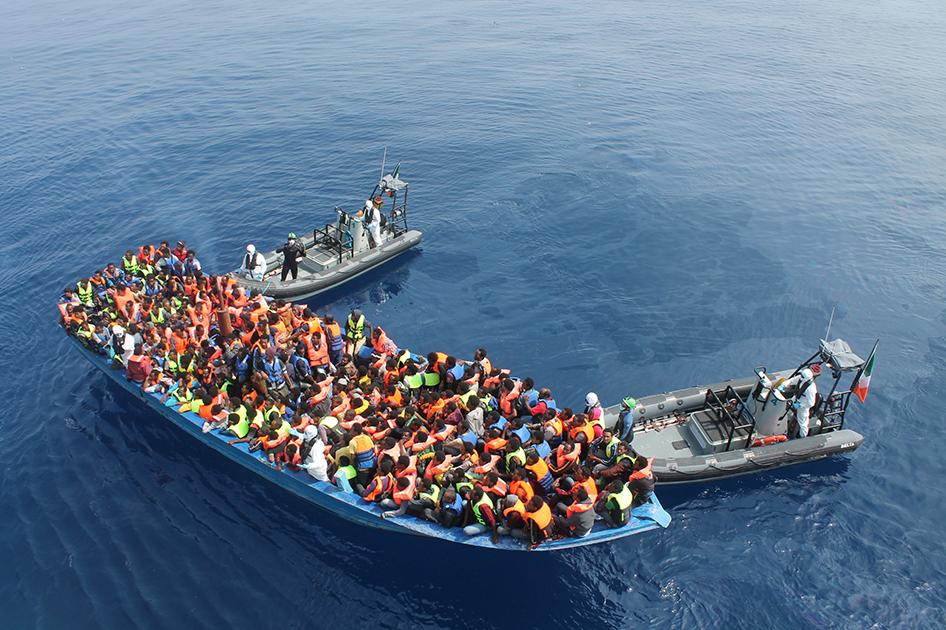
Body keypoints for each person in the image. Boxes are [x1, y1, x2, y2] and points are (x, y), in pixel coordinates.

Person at [785, 368, 818, 438]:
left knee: (803, 422)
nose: (801, 377)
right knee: (786, 406)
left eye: (802, 376)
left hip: (803, 404)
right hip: (797, 398)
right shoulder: (802, 378)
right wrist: (783, 385)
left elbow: (811, 403)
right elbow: (791, 380)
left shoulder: (810, 388)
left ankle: (802, 436)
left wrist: (800, 405)